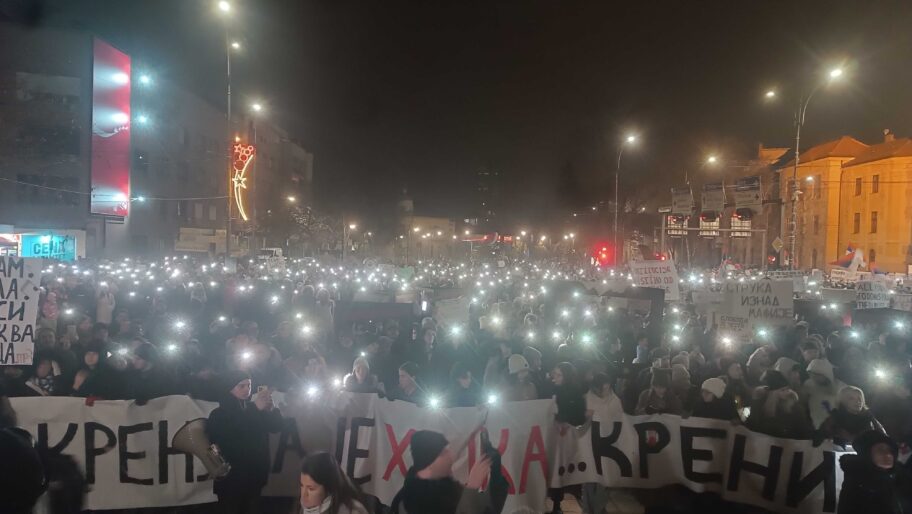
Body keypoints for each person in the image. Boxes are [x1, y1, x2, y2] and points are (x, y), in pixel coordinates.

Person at [207, 370, 284, 513]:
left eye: (248, 385)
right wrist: (255, 409)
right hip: (231, 479)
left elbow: (276, 427)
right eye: (240, 386)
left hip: (254, 476)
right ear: (229, 388)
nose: (246, 390)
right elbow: (231, 438)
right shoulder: (219, 414)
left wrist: (271, 409)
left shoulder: (252, 409)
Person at [389, 430, 505, 514]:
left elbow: (488, 509)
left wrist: (495, 473)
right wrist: (471, 488)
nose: (450, 457)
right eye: (443, 453)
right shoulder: (409, 501)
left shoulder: (450, 488)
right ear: (429, 461)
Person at [837, 430, 912, 514]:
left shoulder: (901, 476)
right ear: (867, 454)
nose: (888, 455)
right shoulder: (857, 482)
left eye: (890, 450)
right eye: (880, 450)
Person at [299, 452, 369, 514]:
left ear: (329, 488)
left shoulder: (353, 511)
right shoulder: (306, 507)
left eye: (311, 489)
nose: (303, 495)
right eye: (302, 485)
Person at [818, 386, 885, 447]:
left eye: (859, 398)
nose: (857, 402)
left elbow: (884, 437)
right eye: (851, 398)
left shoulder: (869, 417)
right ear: (843, 400)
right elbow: (822, 436)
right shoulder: (835, 418)